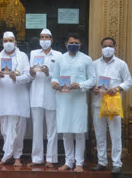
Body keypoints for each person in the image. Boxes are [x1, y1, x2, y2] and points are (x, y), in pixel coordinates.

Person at [51, 33, 96, 172]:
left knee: (79, 132)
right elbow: (54, 76)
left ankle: (79, 163)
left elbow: (93, 79)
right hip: (63, 99)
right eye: (71, 42)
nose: (74, 45)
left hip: (79, 99)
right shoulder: (59, 59)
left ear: (80, 45)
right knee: (66, 132)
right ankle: (68, 162)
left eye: (77, 43)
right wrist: (55, 83)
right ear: (66, 44)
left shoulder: (87, 59)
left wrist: (81, 85)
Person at [0, 31, 31, 167]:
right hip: (2, 98)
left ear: (16, 42)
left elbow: (29, 76)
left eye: (11, 40)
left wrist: (16, 78)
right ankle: (7, 154)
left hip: (18, 98)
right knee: (5, 129)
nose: (8, 43)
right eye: (5, 40)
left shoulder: (22, 56)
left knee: (19, 129)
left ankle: (17, 156)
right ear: (2, 43)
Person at [91, 37, 132, 173]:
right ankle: (102, 162)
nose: (107, 48)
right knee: (99, 134)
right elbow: (90, 82)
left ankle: (117, 163)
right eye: (105, 46)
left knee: (115, 135)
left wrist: (117, 88)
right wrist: (93, 89)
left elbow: (128, 81)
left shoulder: (121, 64)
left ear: (115, 47)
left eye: (110, 46)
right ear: (101, 47)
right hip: (98, 104)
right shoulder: (95, 64)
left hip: (113, 105)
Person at [28, 29, 62, 167]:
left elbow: (60, 75)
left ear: (52, 40)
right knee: (36, 128)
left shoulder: (59, 55)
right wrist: (32, 73)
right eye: (42, 37)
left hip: (51, 95)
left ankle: (51, 159)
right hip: (36, 94)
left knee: (52, 128)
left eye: (47, 37)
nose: (44, 40)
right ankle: (37, 158)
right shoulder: (33, 53)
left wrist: (49, 73)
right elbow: (31, 76)